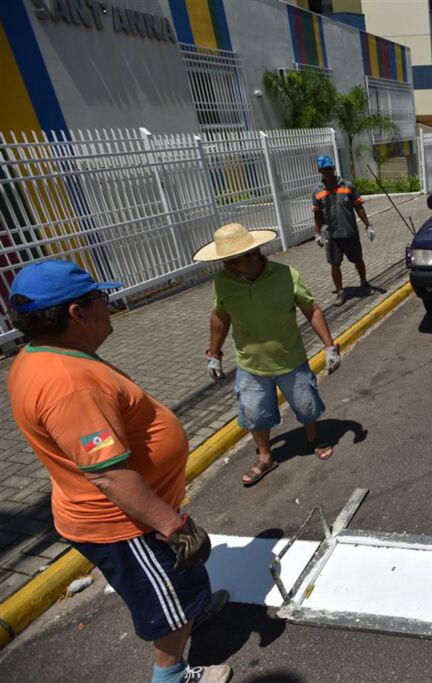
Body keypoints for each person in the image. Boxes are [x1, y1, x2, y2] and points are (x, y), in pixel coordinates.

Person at [6, 260, 232, 683]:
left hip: (137, 512)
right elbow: (108, 475)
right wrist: (174, 526)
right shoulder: (69, 383)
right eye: (101, 299)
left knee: (181, 583)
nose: (109, 306)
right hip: (124, 523)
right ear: (77, 313)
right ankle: (172, 673)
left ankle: (191, 611)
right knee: (168, 598)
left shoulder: (45, 354)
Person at [194, 223, 342, 487]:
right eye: (225, 262)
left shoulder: (286, 275)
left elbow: (312, 309)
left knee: (307, 407)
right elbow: (220, 316)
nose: (226, 267)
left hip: (291, 360)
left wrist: (329, 346)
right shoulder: (223, 282)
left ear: (253, 255)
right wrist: (214, 353)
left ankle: (313, 438)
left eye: (231, 261)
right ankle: (265, 456)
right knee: (254, 414)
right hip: (250, 365)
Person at [311, 155, 375, 305]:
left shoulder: (348, 186)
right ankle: (340, 292)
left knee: (358, 260)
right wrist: (317, 233)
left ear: (333, 168)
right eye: (323, 170)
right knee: (334, 264)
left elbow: (358, 206)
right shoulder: (317, 191)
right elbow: (317, 214)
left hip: (350, 232)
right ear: (319, 171)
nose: (326, 172)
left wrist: (368, 225)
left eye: (329, 169)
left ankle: (364, 283)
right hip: (331, 235)